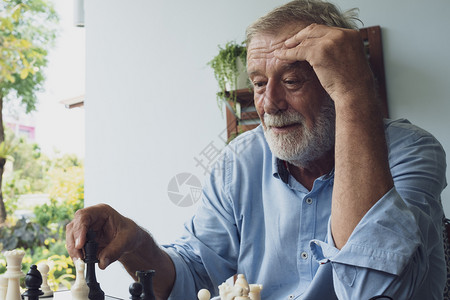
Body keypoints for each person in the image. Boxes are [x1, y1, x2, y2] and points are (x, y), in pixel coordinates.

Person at [66, 0, 447, 299]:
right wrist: (135, 243)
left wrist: (355, 93)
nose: (270, 103)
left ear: (336, 84)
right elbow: (195, 277)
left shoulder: (410, 152)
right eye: (260, 83)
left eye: (293, 81)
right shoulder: (239, 162)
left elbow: (372, 291)